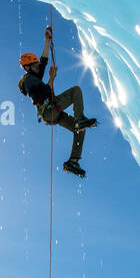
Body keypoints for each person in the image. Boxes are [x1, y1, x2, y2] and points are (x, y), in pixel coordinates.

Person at [18, 25, 97, 177]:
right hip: (49, 109)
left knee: (79, 130)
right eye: (34, 65)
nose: (37, 66)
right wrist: (51, 78)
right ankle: (79, 119)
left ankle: (72, 162)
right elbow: (44, 92)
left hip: (52, 113)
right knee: (75, 91)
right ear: (28, 68)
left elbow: (43, 61)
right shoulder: (29, 81)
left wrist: (47, 41)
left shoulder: (34, 75)